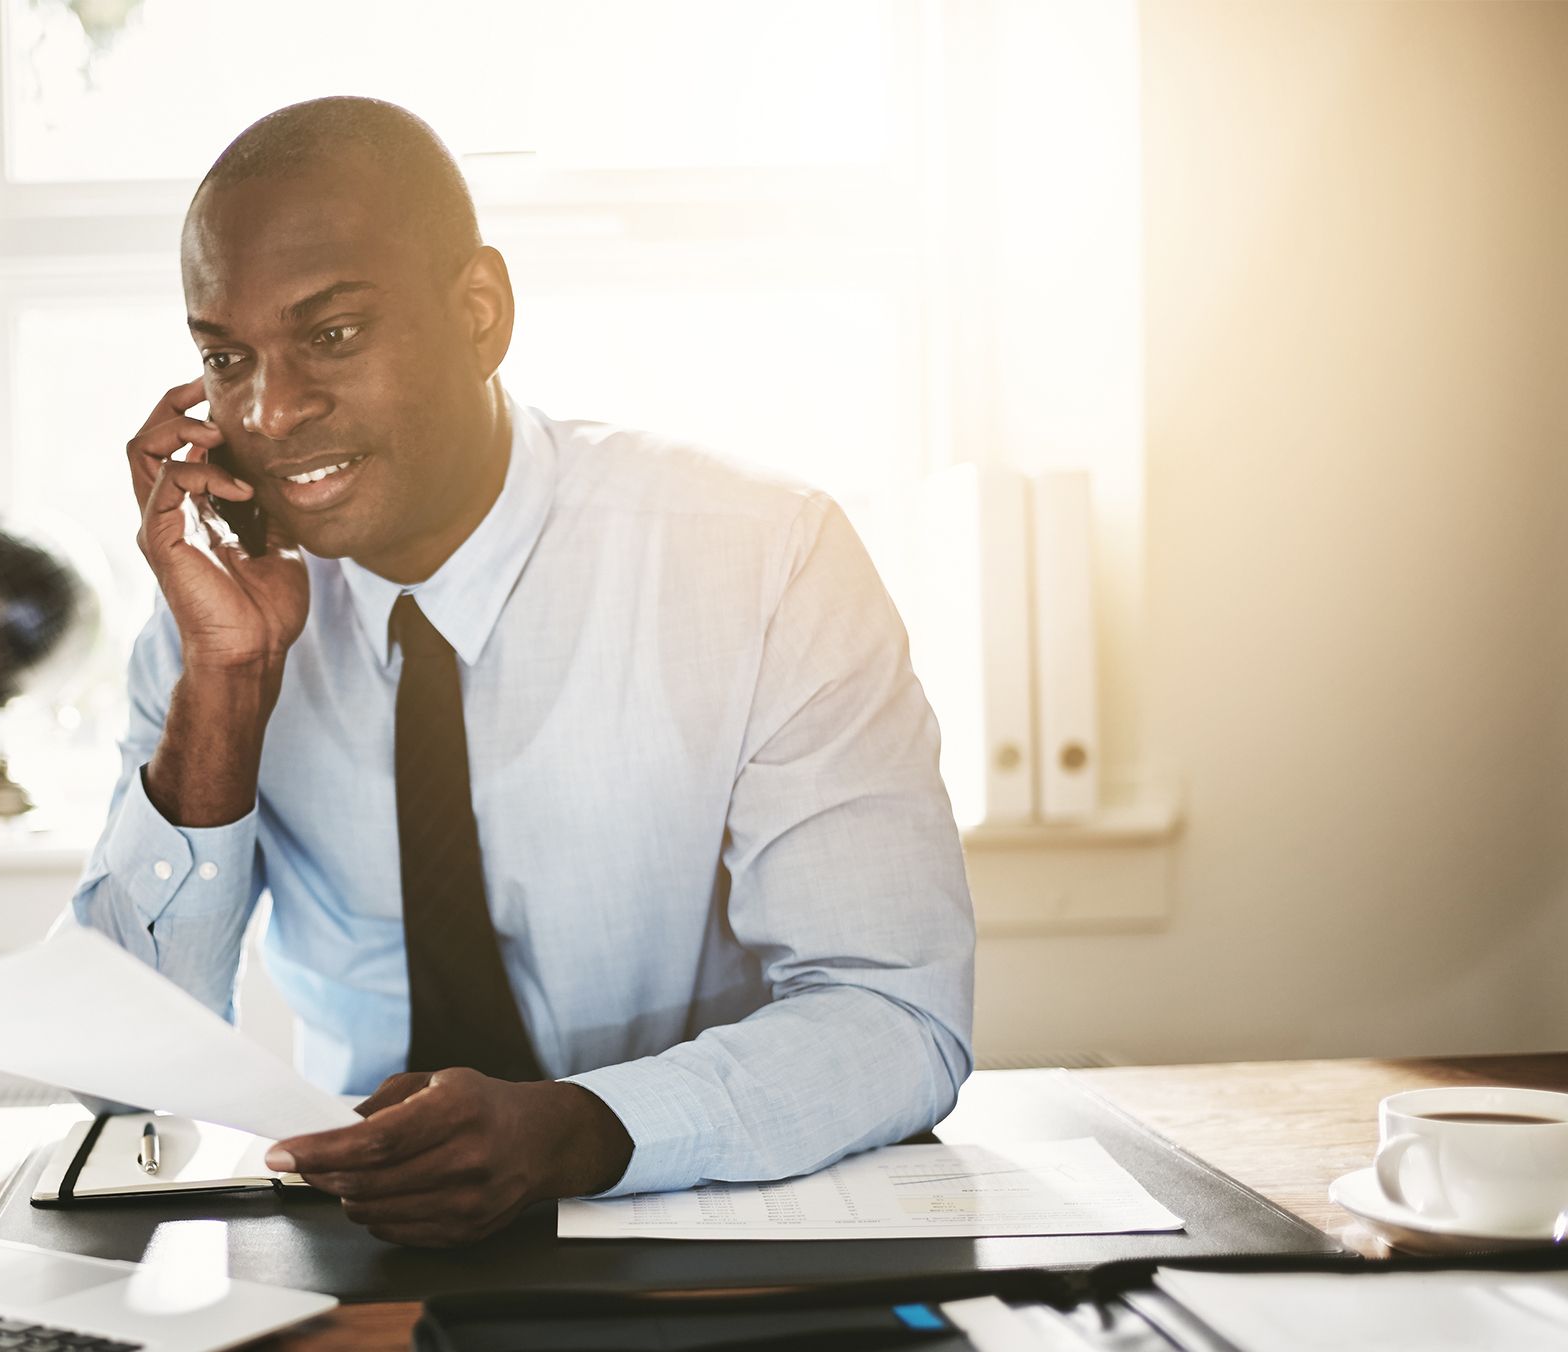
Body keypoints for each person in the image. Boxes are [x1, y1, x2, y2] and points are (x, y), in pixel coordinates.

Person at [71, 96, 973, 1248]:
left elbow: (897, 1014)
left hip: (717, 1236)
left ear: (481, 314)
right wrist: (227, 686)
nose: (271, 410)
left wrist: (582, 1128)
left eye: (333, 334)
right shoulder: (217, 620)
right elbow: (122, 1076)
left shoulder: (763, 557)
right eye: (224, 357)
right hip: (370, 1256)